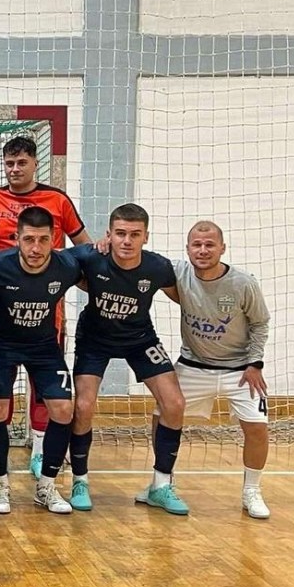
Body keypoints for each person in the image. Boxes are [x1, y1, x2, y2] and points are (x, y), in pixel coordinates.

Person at [0, 136, 91, 477]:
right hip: (1, 313)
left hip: (45, 313)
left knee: (47, 393)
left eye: (22, 163)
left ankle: (41, 453)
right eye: (10, 163)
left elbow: (83, 247)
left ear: (35, 164)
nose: (15, 169)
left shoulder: (57, 200)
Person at [68, 203, 188, 514]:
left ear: (146, 237)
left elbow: (189, 299)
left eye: (135, 234)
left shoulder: (158, 267)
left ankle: (160, 486)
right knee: (83, 406)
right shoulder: (90, 257)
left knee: (174, 403)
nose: (127, 241)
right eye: (120, 233)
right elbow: (48, 263)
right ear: (108, 234)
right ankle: (79, 480)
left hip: (140, 338)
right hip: (94, 339)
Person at [0, 207, 82, 515]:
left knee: (63, 409)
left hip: (43, 346)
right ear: (16, 238)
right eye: (29, 239)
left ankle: (46, 486)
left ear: (53, 239)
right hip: (0, 344)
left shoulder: (67, 266)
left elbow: (95, 260)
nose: (36, 248)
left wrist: (105, 244)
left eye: (43, 240)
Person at [168, 220, 271, 518]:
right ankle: (163, 482)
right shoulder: (178, 273)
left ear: (222, 248)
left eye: (210, 245)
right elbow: (140, 259)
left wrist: (255, 363)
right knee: (163, 417)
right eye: (197, 245)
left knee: (257, 428)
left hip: (240, 369)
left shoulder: (243, 283)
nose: (203, 250)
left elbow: (260, 323)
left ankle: (251, 491)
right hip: (192, 365)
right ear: (188, 249)